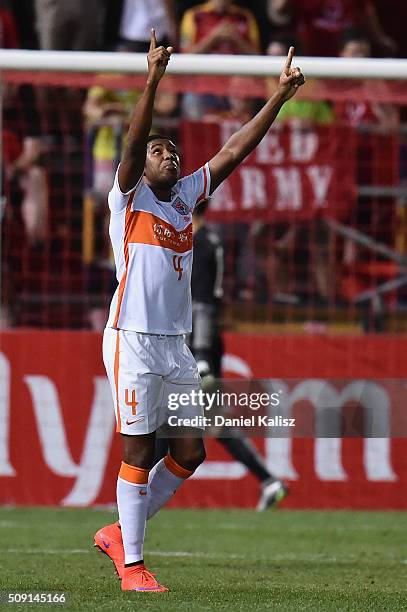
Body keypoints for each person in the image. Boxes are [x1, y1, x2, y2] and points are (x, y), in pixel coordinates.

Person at [94, 29, 304, 593]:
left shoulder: (185, 198)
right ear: (141, 165)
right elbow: (135, 144)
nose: (172, 156)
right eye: (162, 152)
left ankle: (120, 532)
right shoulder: (128, 198)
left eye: (175, 152)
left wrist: (278, 98)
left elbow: (235, 149)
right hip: (133, 337)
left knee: (190, 451)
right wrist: (153, 79)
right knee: (138, 448)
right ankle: (132, 566)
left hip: (176, 344)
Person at [155, 200, 288, 509]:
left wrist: (199, 354)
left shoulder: (198, 242)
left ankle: (136, 491)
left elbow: (201, 303)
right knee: (209, 418)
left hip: (197, 340)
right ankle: (269, 481)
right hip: (204, 338)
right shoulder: (209, 240)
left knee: (168, 412)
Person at [180, 0, 261, 119]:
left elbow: (258, 56)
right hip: (203, 88)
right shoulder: (193, 15)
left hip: (238, 91)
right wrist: (213, 38)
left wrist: (236, 39)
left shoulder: (244, 16)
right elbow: (185, 56)